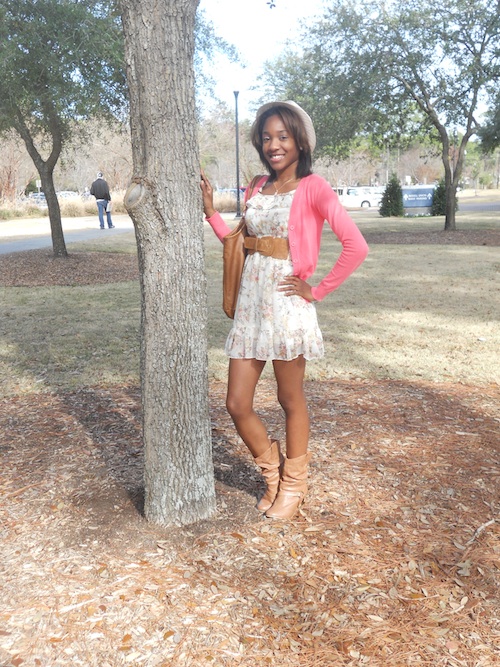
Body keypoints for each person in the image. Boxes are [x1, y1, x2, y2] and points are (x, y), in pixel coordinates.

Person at [200, 101, 369, 520]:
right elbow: (241, 244)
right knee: (237, 402)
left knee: (289, 398)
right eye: (266, 138)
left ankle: (294, 486)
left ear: (300, 142)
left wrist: (317, 290)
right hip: (251, 307)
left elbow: (356, 246)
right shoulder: (257, 186)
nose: (273, 145)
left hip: (288, 305)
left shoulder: (314, 187)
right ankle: (273, 474)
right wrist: (211, 213)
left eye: (282, 137)